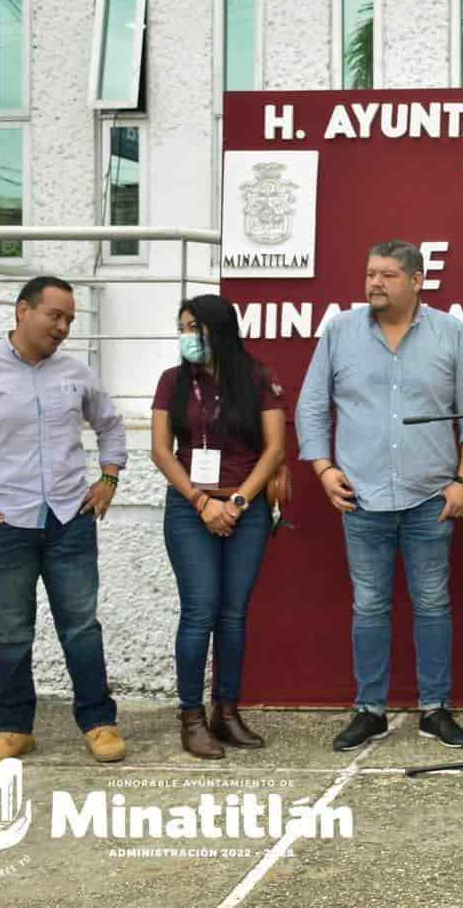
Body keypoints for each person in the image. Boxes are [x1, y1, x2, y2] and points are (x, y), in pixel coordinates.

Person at [0, 275, 127, 769]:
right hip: (1, 522)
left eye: (70, 319)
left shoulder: (77, 373)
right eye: (55, 315)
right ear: (22, 311)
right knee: (11, 629)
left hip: (69, 517)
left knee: (81, 626)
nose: (63, 327)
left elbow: (111, 425)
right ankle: (13, 728)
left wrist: (108, 480)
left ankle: (98, 722)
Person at [296, 240, 463, 752]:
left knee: (432, 602)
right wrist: (322, 469)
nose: (374, 283)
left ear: (417, 279)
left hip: (432, 495)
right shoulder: (339, 332)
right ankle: (370, 710)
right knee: (370, 604)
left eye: (387, 274)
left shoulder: (450, 332)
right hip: (362, 495)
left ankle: (436, 709)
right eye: (370, 273)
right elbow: (311, 407)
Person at [150, 294, 286, 759]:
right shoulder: (172, 382)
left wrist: (241, 499)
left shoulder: (257, 378)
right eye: (182, 328)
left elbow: (273, 450)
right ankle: (192, 718)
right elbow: (161, 451)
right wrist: (201, 501)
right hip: (190, 509)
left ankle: (226, 712)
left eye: (195, 327)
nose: (187, 337)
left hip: (244, 508)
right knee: (200, 610)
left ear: (219, 329)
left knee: (233, 614)